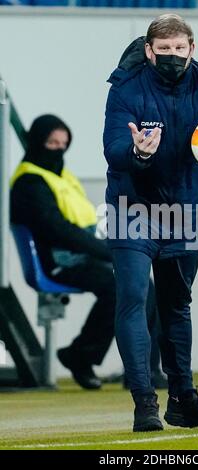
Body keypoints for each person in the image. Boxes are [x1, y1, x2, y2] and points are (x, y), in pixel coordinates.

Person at [103, 13, 198, 432]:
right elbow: (113, 147)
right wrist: (138, 153)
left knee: (176, 305)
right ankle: (144, 404)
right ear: (149, 50)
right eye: (164, 50)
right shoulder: (126, 88)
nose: (172, 56)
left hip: (185, 208)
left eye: (179, 49)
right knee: (133, 299)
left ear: (192, 48)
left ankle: (183, 399)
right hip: (131, 207)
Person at [10, 114, 167, 391]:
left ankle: (144, 371)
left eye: (63, 143)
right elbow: (58, 230)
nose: (58, 149)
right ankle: (81, 355)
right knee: (120, 288)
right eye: (52, 142)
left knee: (143, 285)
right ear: (37, 142)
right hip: (60, 260)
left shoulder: (61, 176)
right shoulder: (30, 183)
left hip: (85, 254)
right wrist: (110, 252)